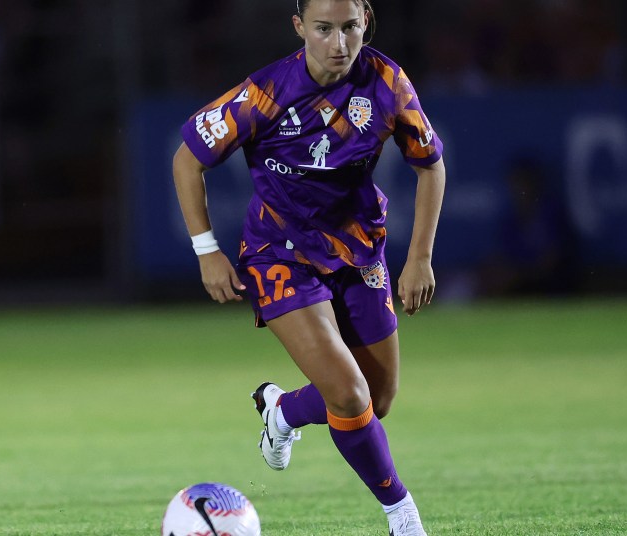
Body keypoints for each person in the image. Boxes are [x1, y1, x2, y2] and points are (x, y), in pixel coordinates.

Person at [172, 1, 445, 534]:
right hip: (280, 254)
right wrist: (206, 250)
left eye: (350, 28)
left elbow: (430, 166)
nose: (339, 44)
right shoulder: (266, 92)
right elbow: (188, 158)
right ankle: (404, 517)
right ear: (299, 27)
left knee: (377, 399)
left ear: (366, 21)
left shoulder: (387, 82)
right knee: (349, 394)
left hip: (358, 252)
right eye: (324, 29)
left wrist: (419, 257)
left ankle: (283, 411)